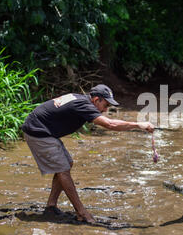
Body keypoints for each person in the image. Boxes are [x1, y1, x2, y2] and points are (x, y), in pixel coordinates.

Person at [21, 84, 154, 223]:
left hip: (42, 129)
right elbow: (110, 124)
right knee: (63, 169)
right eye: (106, 105)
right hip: (37, 131)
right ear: (96, 100)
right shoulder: (83, 105)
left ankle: (51, 206)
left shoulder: (81, 99)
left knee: (67, 164)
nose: (106, 110)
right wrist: (138, 125)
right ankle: (82, 213)